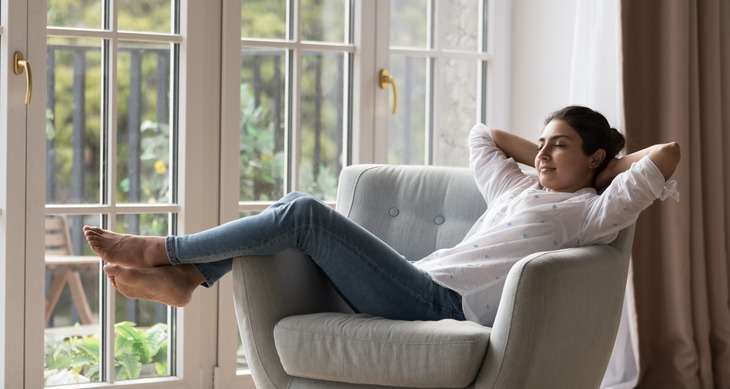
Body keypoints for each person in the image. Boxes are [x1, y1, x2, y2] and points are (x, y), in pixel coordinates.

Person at [84, 105, 681, 326]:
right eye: (544, 143)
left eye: (561, 146)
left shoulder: (592, 212)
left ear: (597, 160)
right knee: (295, 209)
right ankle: (187, 277)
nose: (545, 153)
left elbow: (668, 155)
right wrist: (550, 154)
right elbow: (483, 134)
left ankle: (167, 255)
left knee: (306, 214)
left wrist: (605, 169)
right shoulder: (515, 191)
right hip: (415, 279)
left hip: (441, 304)